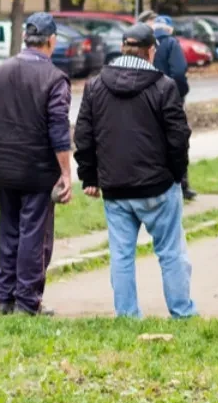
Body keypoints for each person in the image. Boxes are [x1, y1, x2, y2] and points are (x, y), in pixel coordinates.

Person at [75, 23, 196, 319]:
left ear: (123, 49)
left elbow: (83, 135)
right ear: (151, 51)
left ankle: (127, 314)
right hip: (158, 186)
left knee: (121, 254)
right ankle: (182, 312)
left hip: (114, 187)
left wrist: (90, 176)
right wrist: (176, 175)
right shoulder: (164, 86)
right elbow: (178, 137)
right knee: (171, 253)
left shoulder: (95, 86)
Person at [0, 12, 73, 316]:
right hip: (38, 170)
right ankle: (27, 301)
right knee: (35, 235)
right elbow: (59, 131)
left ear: (24, 39)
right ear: (52, 41)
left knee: (8, 230)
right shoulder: (54, 78)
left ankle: (4, 298)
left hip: (5, 169)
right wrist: (66, 173)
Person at [149, 14, 196, 201]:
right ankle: (181, 184)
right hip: (170, 100)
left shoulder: (148, 45)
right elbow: (178, 71)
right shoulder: (171, 44)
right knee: (177, 139)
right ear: (169, 29)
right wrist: (181, 93)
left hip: (147, 99)